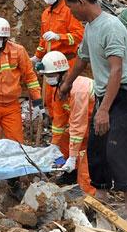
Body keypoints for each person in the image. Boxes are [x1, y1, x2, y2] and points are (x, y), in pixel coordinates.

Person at [59, 0, 127, 219]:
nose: (71, 12)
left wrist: (104, 110)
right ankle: (102, 195)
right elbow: (82, 58)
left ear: (81, 2)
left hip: (123, 94)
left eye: (71, 7)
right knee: (97, 146)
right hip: (105, 93)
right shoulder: (91, 26)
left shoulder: (111, 27)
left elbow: (116, 70)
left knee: (119, 148)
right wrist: (67, 83)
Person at [38, 51, 96, 195]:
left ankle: (90, 199)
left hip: (101, 124)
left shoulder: (78, 90)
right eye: (47, 76)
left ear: (63, 73)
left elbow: (78, 124)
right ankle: (70, 173)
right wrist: (54, 145)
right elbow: (59, 119)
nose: (49, 79)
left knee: (86, 165)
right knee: (64, 141)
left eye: (51, 76)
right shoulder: (58, 88)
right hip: (86, 123)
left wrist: (73, 155)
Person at [30, 0, 84, 122]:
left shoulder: (68, 11)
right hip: (50, 64)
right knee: (50, 97)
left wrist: (60, 37)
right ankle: (55, 127)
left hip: (66, 62)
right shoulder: (46, 14)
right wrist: (37, 56)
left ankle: (67, 127)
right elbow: (43, 39)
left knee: (65, 95)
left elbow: (79, 35)